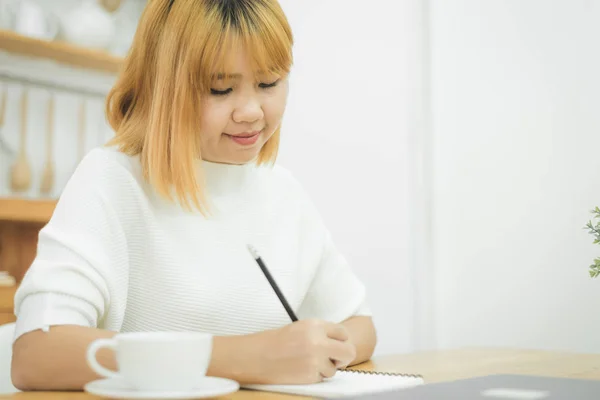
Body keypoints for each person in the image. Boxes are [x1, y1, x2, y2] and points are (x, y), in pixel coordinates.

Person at [11, 0, 377, 391]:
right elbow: (37, 353)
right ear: (161, 88)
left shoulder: (281, 190)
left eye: (269, 83)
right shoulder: (112, 180)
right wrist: (251, 358)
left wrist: (319, 349)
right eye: (220, 88)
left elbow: (360, 325)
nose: (252, 111)